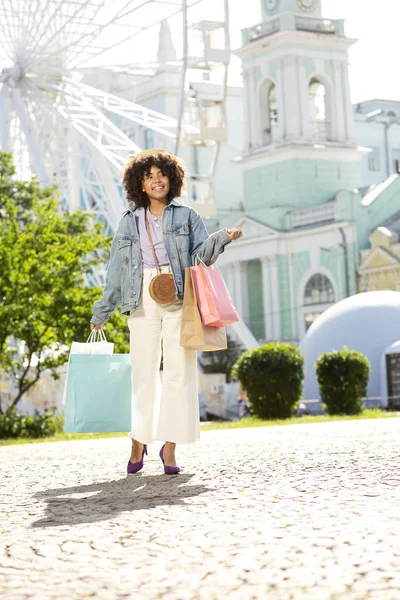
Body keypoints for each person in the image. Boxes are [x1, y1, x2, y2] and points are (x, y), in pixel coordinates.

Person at [90, 149, 243, 474]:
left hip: (178, 295)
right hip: (141, 295)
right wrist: (101, 311)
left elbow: (200, 256)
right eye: (149, 176)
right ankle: (138, 440)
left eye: (161, 174)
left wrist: (222, 238)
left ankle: (170, 447)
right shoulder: (129, 221)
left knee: (179, 374)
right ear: (139, 184)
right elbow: (116, 269)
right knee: (142, 375)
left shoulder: (187, 216)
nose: (156, 180)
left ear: (171, 178)